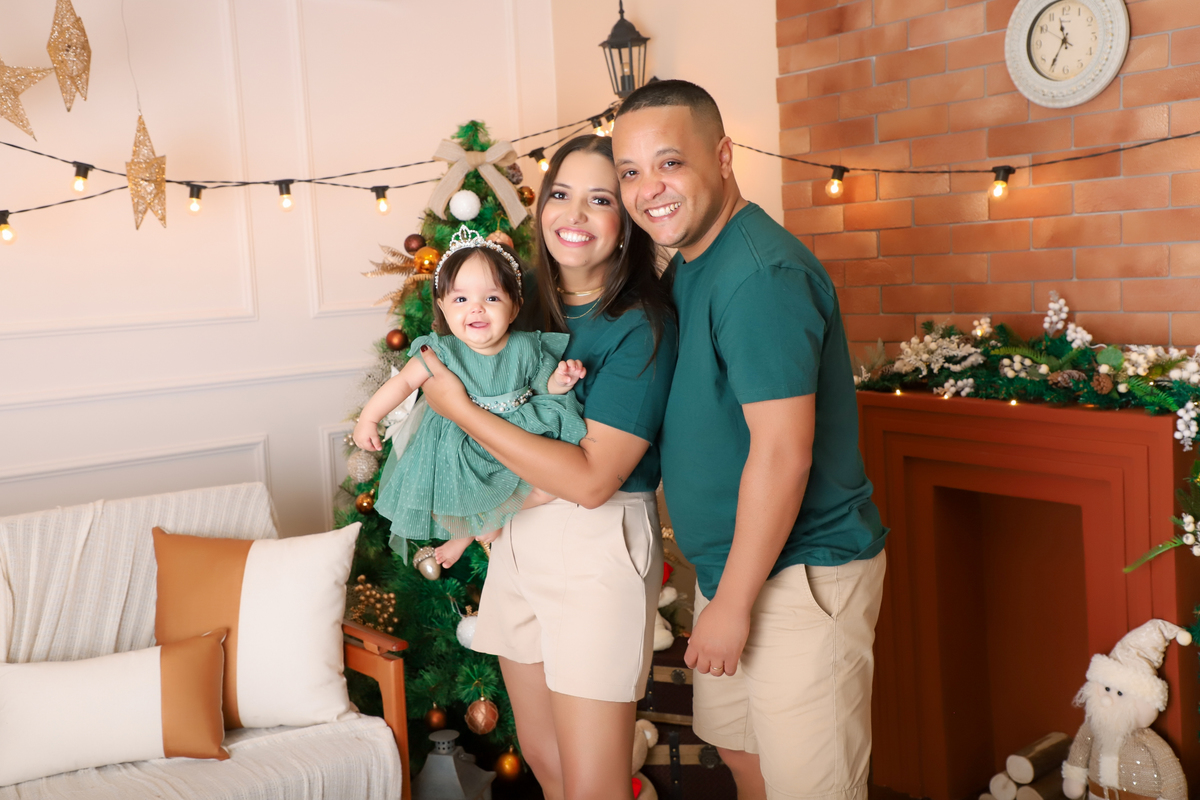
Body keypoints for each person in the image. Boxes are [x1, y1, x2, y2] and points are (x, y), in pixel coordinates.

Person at [612, 79, 888, 800]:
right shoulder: (693, 263)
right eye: (630, 172)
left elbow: (783, 452)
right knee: (743, 756)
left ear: (724, 156)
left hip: (799, 575)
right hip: (735, 571)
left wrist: (730, 606)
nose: (648, 189)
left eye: (670, 163)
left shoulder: (761, 275)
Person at [416, 134, 677, 800]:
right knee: (547, 763)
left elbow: (591, 480)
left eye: (601, 200)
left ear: (627, 220)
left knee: (594, 785)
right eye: (560, 194)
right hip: (519, 533)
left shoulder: (638, 324)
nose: (574, 214)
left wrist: (460, 410)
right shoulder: (518, 302)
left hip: (596, 543)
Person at [352, 226, 588, 568]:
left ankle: (493, 519)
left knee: (550, 486)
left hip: (519, 435)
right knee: (453, 500)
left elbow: (543, 387)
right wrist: (369, 418)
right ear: (443, 307)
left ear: (515, 307)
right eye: (461, 300)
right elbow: (403, 384)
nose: (476, 309)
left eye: (491, 299)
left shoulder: (527, 346)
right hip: (463, 443)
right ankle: (465, 533)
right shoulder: (442, 352)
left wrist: (561, 381)